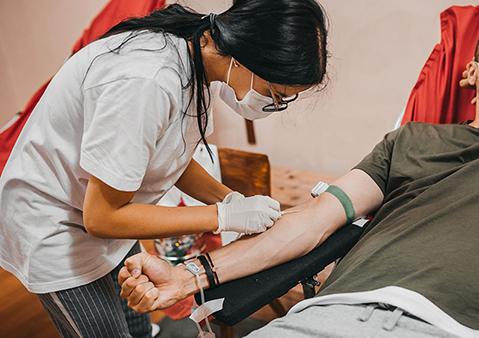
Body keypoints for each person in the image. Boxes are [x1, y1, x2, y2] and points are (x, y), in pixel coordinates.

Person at [118, 6, 479, 338]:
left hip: (458, 327)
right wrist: (188, 276)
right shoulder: (410, 141)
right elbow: (310, 222)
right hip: (327, 316)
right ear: (472, 71)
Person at [0, 1, 328, 337]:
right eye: (276, 94)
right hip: (54, 221)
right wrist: (223, 216)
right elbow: (101, 218)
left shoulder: (197, 54)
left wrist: (230, 198)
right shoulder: (147, 82)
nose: (272, 104)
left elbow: (171, 155)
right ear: (248, 58)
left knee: (138, 327)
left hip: (106, 206)